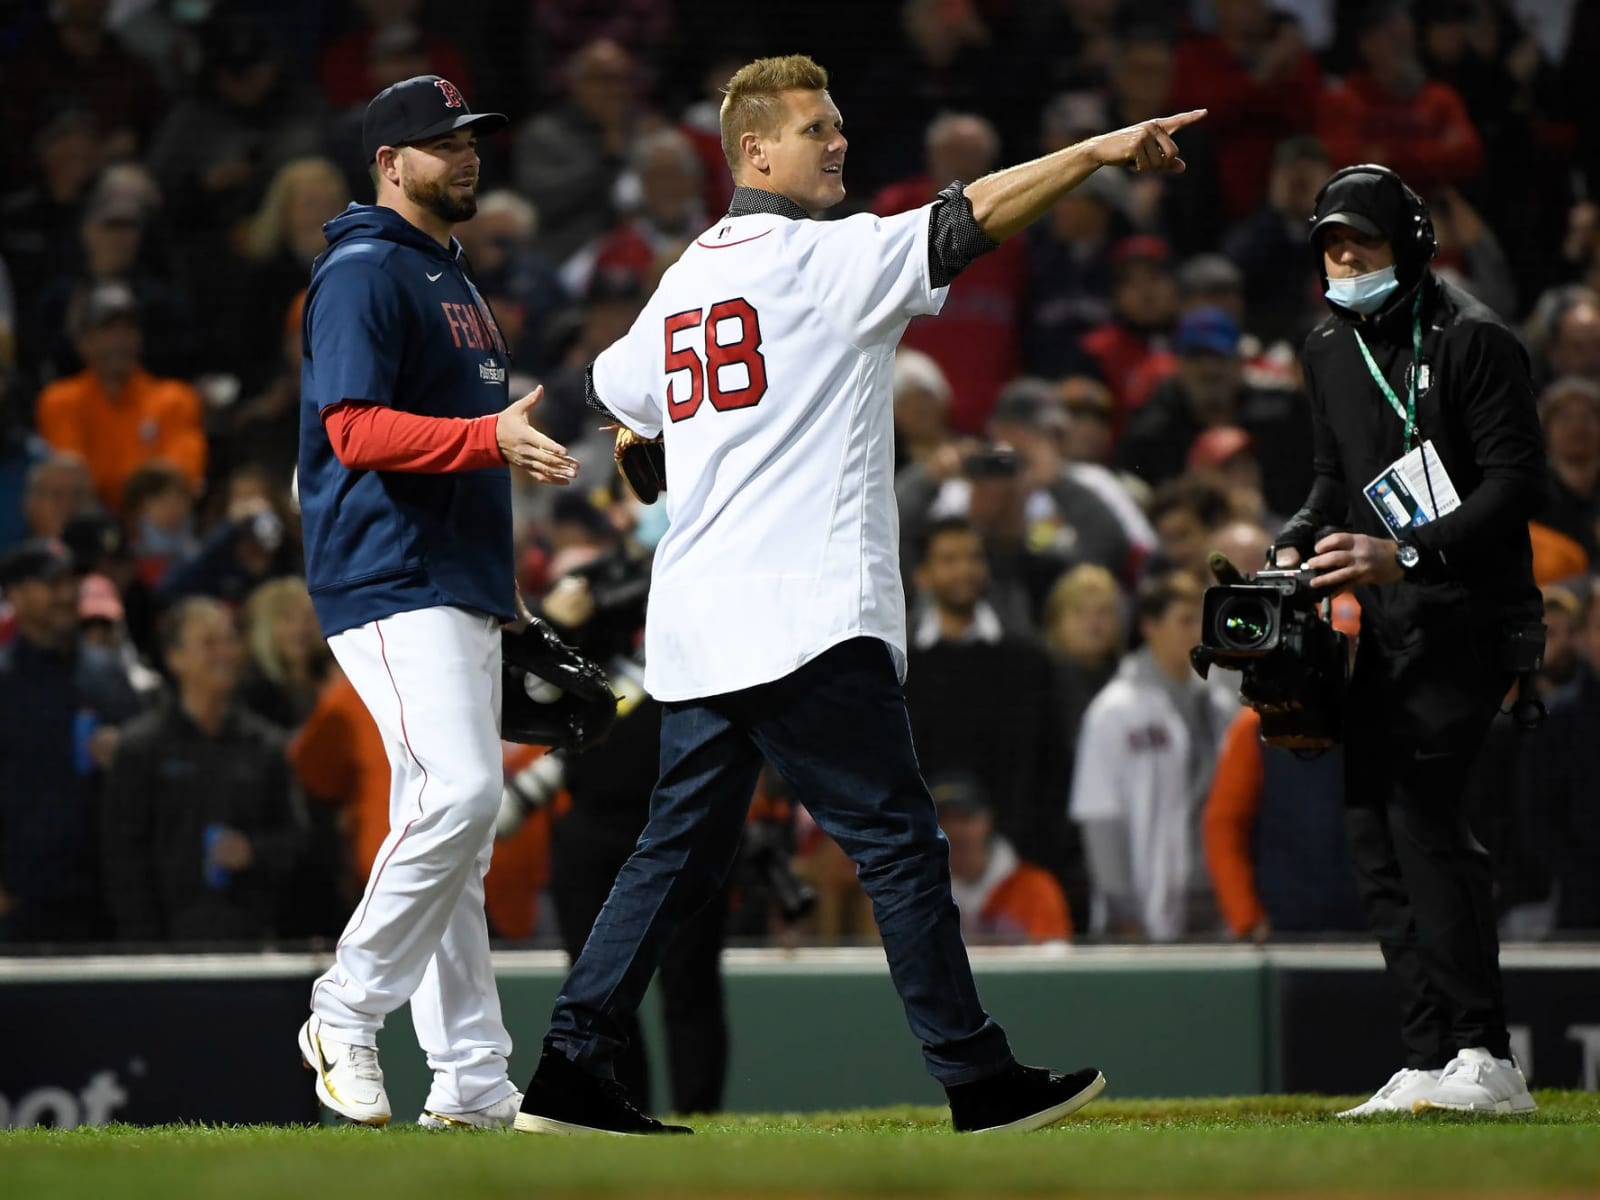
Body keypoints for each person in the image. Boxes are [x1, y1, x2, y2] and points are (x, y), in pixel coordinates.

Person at [515, 51, 1204, 1137]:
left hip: (699, 629)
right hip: (807, 620)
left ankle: (566, 1069)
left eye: (839, 124)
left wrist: (595, 431)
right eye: (814, 129)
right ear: (753, 151)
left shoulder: (689, 272)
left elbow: (606, 386)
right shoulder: (826, 259)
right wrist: (1095, 149)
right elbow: (972, 211)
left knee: (674, 854)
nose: (837, 143)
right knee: (896, 845)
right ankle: (976, 1077)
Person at [294, 74, 579, 1131]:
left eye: (470, 140)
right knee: (460, 796)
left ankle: (469, 1081)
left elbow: (460, 440)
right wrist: (489, 437)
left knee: (458, 839)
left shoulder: (448, 273)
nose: (464, 157)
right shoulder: (365, 268)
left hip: (450, 575)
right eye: (439, 142)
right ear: (388, 162)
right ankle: (344, 1007)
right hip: (383, 568)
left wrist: (499, 589)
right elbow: (354, 431)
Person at [1272, 163, 1545, 1116]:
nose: (1344, 259)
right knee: (1373, 835)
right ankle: (1431, 1056)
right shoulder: (1326, 345)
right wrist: (1296, 536)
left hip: (1475, 615)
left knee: (1426, 819)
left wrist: (1410, 555)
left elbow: (1515, 487)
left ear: (1415, 247)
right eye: (1331, 244)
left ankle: (1489, 1056)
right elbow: (1328, 474)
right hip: (1387, 630)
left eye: (1364, 242)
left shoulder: (1477, 340)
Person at [100, 597, 302, 944]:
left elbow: (297, 839)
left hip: (250, 943)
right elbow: (122, 858)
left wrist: (253, 850)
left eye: (229, 640)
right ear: (175, 658)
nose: (225, 653)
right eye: (209, 643)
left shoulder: (266, 745)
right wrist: (144, 945)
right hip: (162, 949)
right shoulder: (141, 748)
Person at [1069, 571, 1233, 942]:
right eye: (1185, 621)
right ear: (1150, 626)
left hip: (1217, 894)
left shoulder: (1219, 706)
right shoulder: (1115, 710)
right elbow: (1100, 818)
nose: (1196, 632)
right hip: (1149, 897)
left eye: (1202, 620)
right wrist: (1122, 909)